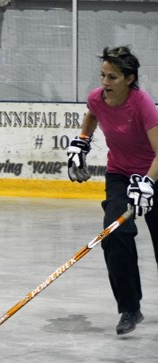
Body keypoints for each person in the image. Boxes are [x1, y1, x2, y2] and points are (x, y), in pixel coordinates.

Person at [67, 46, 158, 335]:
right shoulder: (97, 97)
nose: (105, 83)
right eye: (103, 75)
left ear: (129, 79)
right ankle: (130, 308)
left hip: (153, 174)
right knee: (115, 234)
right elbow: (92, 114)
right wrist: (82, 141)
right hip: (119, 174)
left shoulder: (142, 104)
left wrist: (148, 183)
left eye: (113, 77)